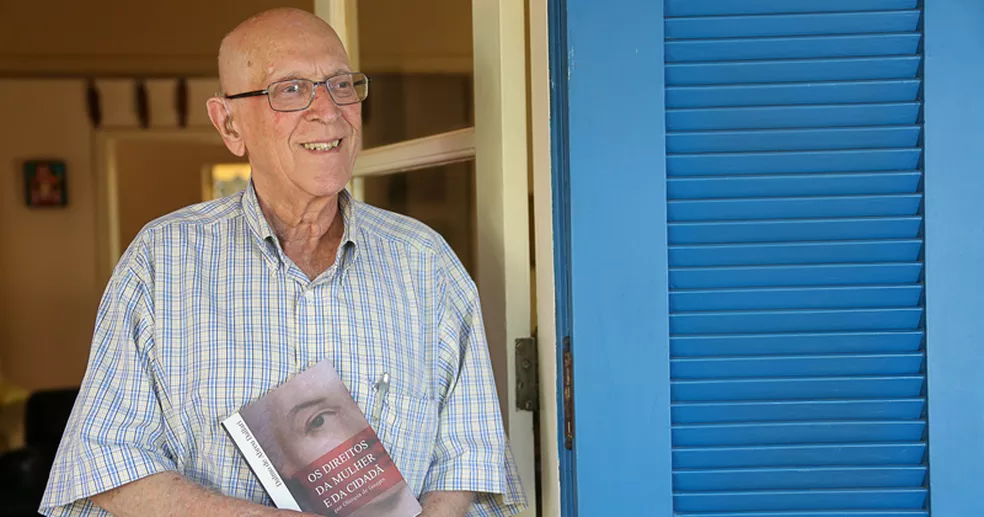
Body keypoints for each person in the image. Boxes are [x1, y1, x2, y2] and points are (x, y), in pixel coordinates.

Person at [39, 8, 526, 517]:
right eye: (290, 89)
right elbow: (105, 462)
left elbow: (469, 461)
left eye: (341, 84)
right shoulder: (162, 260)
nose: (329, 111)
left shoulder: (426, 262)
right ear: (229, 124)